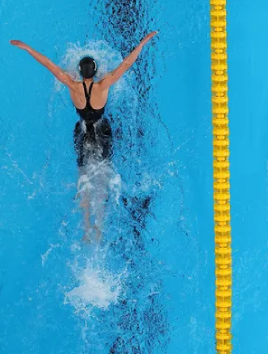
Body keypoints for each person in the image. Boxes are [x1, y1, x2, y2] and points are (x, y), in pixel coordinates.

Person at [9, 31, 158, 242]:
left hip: (82, 131)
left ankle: (86, 227)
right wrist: (142, 43)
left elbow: (48, 64)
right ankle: (100, 227)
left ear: (79, 72)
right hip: (102, 130)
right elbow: (126, 64)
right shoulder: (103, 84)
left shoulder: (72, 84)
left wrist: (27, 48)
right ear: (95, 71)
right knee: (102, 177)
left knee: (83, 176)